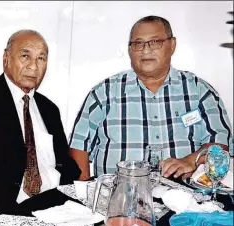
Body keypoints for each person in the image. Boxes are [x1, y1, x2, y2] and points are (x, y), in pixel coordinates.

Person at [69, 15, 232, 179]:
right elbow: (78, 146)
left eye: (155, 42)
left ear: (172, 45)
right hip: (117, 198)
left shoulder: (199, 91)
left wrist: (191, 161)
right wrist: (83, 196)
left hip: (186, 198)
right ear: (130, 49)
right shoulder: (104, 93)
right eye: (138, 43)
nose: (146, 50)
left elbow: (220, 144)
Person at [0, 29, 82, 226]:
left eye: (41, 59)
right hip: (6, 209)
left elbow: (64, 161)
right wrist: (10, 214)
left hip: (57, 205)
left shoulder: (49, 109)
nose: (33, 66)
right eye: (25, 56)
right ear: (6, 58)